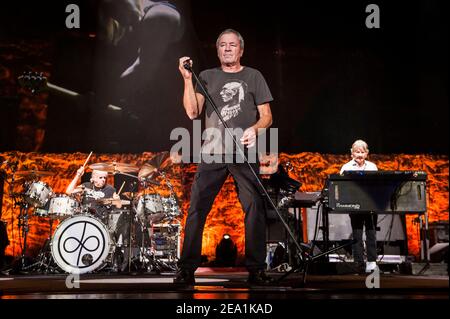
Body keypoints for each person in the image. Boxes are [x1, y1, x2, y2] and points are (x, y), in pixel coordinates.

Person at [175, 29, 274, 285]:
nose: (227, 49)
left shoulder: (254, 76)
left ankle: (256, 268)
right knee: (197, 208)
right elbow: (192, 112)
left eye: (232, 45)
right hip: (213, 151)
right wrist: (187, 79)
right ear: (217, 50)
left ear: (241, 50)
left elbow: (267, 116)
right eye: (222, 45)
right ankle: (187, 268)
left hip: (244, 152)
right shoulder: (206, 76)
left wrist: (255, 129)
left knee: (254, 208)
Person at [340, 139, 379, 273]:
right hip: (354, 205)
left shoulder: (372, 167)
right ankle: (358, 263)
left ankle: (372, 262)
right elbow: (341, 186)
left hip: (370, 205)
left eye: (362, 152)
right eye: (357, 152)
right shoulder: (346, 167)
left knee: (371, 232)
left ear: (367, 153)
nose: (360, 154)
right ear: (352, 154)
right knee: (357, 234)